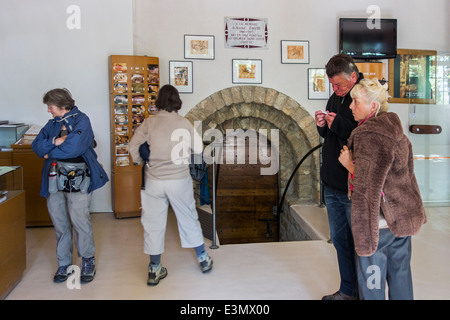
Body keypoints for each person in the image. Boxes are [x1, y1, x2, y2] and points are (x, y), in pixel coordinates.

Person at [338, 78, 426, 299]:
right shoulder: (397, 132)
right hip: (402, 218)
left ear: (373, 106)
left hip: (377, 225)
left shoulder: (369, 134)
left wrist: (349, 164)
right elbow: (407, 175)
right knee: (401, 278)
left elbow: (368, 185)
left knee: (372, 282)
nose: (351, 106)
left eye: (356, 101)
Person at [128, 84, 212, 286]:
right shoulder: (183, 122)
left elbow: (133, 147)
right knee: (189, 217)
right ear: (177, 101)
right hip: (179, 180)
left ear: (159, 101)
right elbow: (199, 147)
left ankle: (155, 268)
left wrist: (141, 161)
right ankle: (203, 258)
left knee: (153, 224)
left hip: (154, 181)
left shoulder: (149, 122)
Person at [32, 88, 109, 283]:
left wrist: (49, 152)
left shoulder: (82, 120)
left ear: (62, 106)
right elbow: (36, 145)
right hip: (53, 180)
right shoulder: (51, 125)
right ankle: (64, 263)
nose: (48, 111)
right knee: (59, 222)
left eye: (50, 107)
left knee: (80, 221)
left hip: (79, 179)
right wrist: (55, 141)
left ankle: (88, 261)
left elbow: (74, 148)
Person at [315, 53, 363, 300]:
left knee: (359, 245)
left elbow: (362, 136)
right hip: (332, 183)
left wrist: (337, 125)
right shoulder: (337, 95)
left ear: (353, 77)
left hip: (351, 185)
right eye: (332, 85)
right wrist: (322, 125)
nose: (335, 89)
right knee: (341, 243)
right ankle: (347, 291)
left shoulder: (364, 97)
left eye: (339, 84)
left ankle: (364, 292)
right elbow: (331, 136)